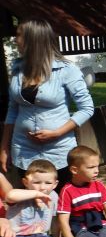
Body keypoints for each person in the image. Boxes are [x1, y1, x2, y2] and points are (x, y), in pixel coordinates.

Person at [1, 19, 94, 188]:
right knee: (32, 198)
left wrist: (57, 133)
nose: (15, 40)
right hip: (23, 149)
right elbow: (12, 110)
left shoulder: (66, 70)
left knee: (62, 198)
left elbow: (86, 108)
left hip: (59, 150)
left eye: (19, 35)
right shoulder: (17, 70)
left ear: (33, 39)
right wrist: (4, 148)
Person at [5, 159, 87, 237]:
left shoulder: (53, 196)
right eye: (36, 182)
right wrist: (36, 194)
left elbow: (54, 221)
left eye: (48, 183)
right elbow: (10, 195)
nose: (42, 187)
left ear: (55, 184)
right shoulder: (22, 195)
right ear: (25, 182)